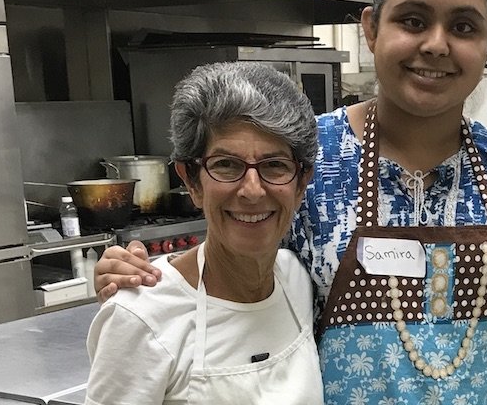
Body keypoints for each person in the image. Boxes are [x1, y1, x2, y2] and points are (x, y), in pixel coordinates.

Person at [94, 0, 487, 404]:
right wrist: (145, 279)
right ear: (371, 27)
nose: (435, 44)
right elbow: (239, 272)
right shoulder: (305, 157)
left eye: (464, 26)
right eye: (412, 20)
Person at [85, 62, 323, 404]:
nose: (252, 190)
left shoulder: (296, 280)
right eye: (226, 164)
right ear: (192, 181)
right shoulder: (141, 317)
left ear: (301, 183)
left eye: (275, 165)